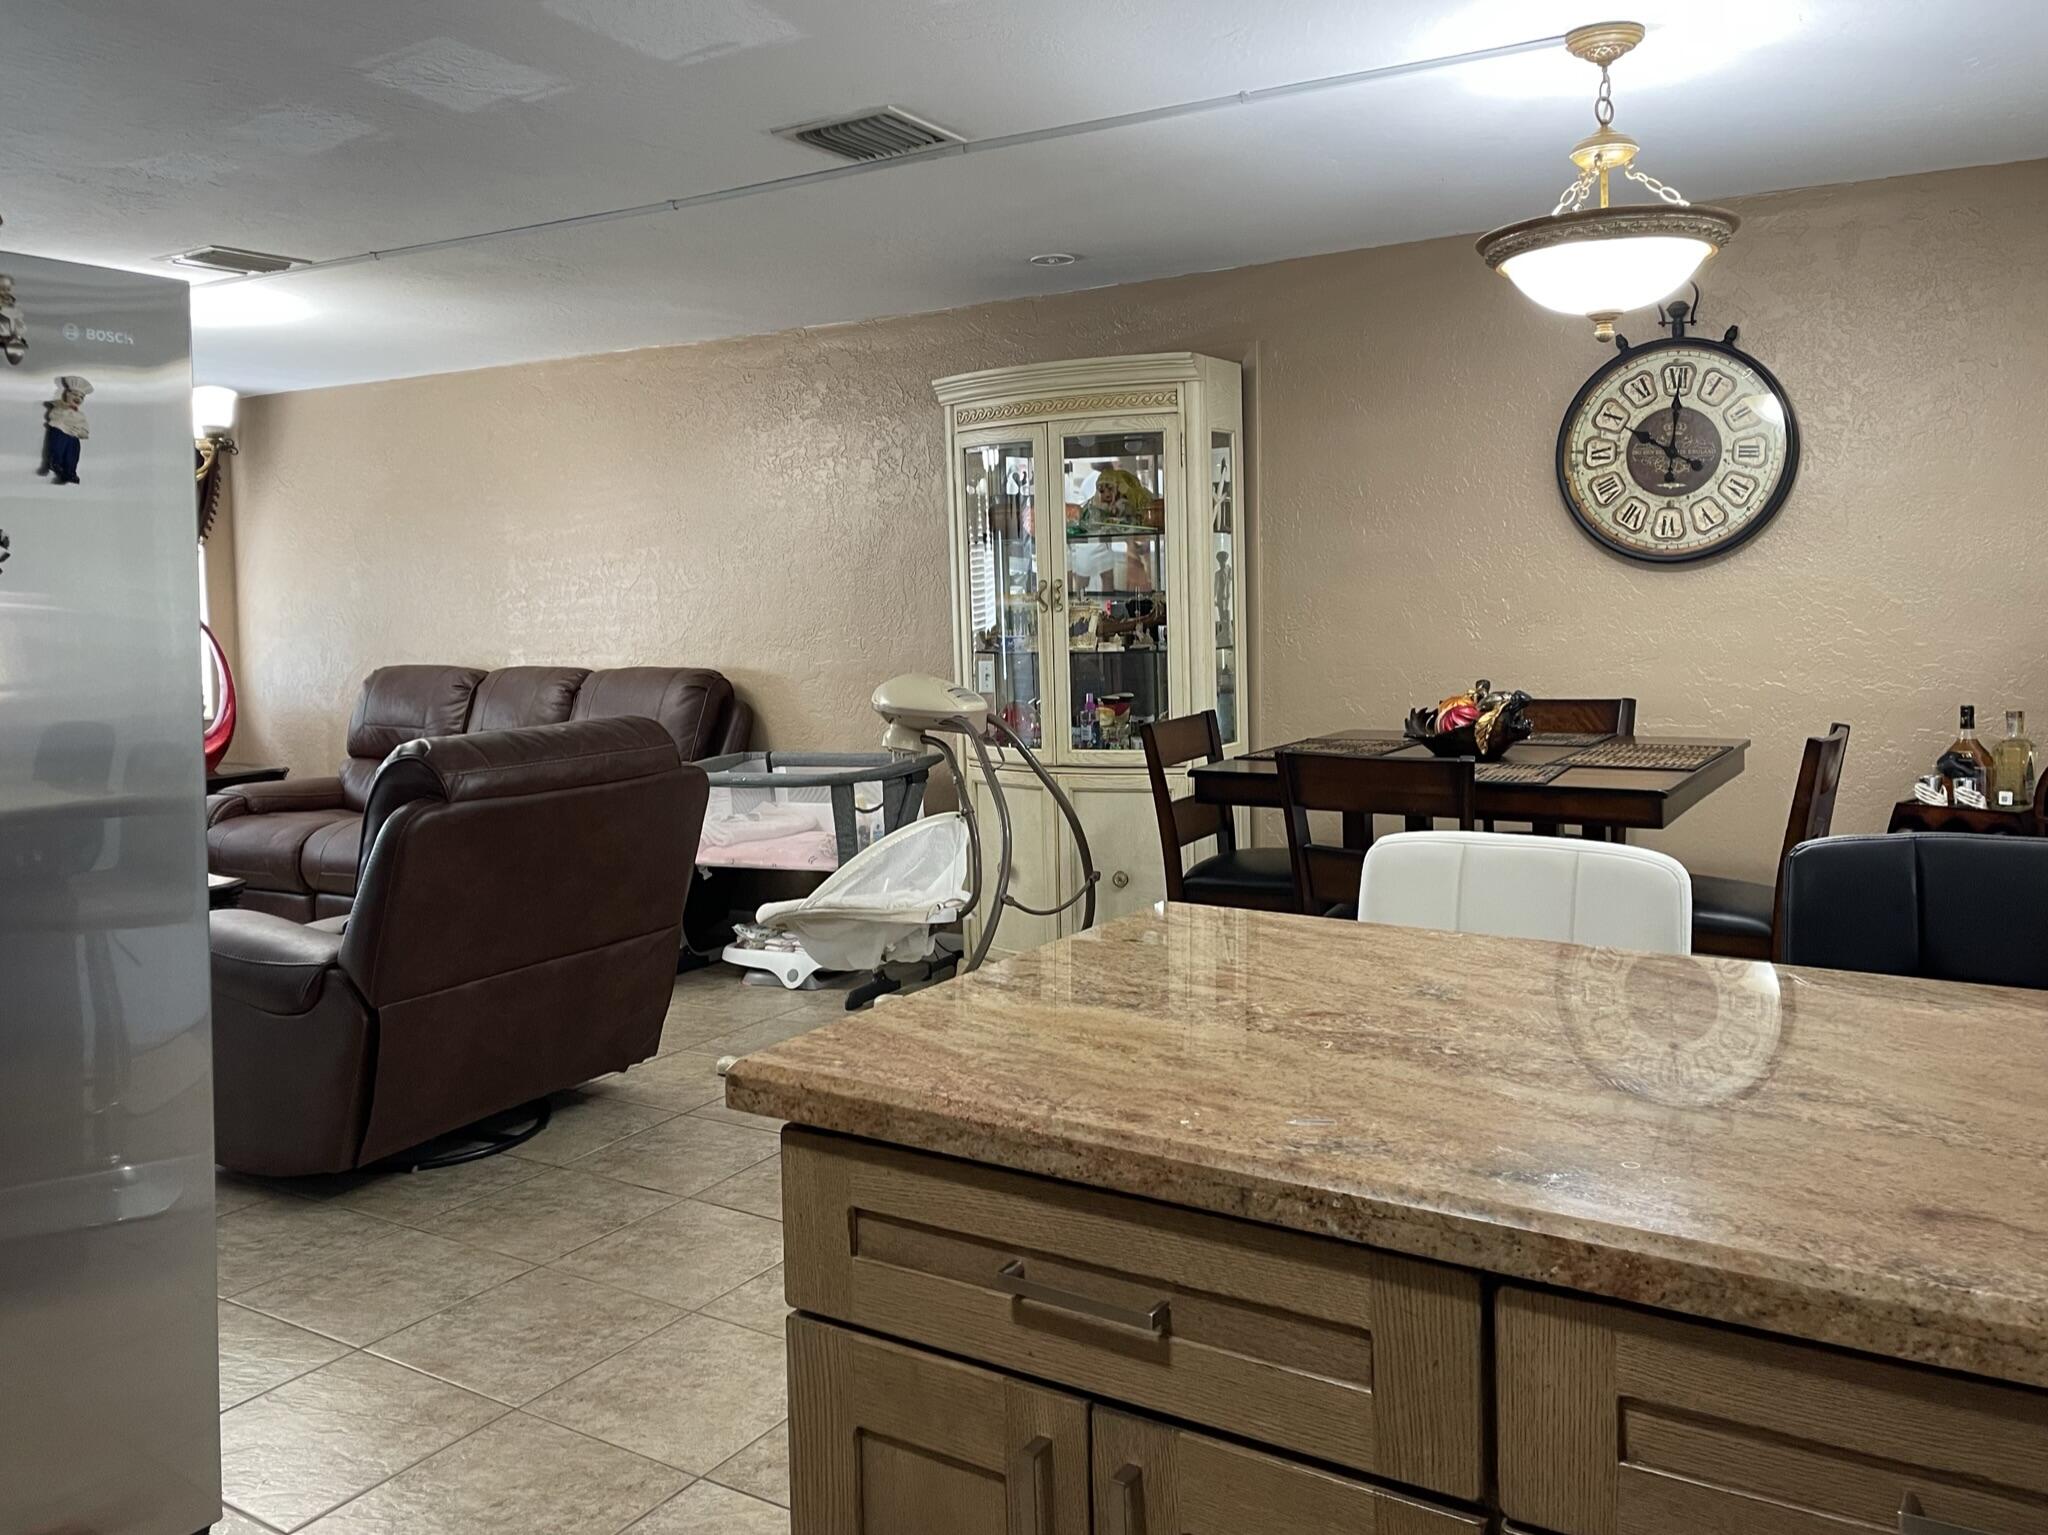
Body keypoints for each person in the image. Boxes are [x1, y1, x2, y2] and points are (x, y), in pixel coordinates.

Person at [40, 375, 91, 485]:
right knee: (58, 444)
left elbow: (85, 429)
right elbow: (54, 417)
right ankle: (54, 462)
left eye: (81, 397)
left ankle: (70, 472)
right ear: (68, 394)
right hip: (61, 431)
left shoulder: (80, 415)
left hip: (73, 435)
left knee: (73, 451)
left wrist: (80, 431)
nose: (78, 398)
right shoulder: (60, 408)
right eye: (75, 394)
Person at [0, 275, 25, 366]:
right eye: (2, 289)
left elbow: (19, 324)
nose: (5, 292)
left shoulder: (14, 308)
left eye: (8, 289)